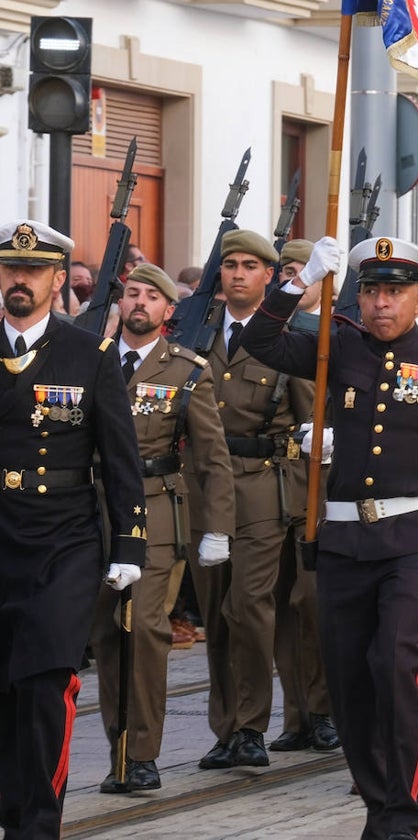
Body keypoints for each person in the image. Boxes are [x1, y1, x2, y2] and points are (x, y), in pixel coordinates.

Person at [241, 234, 418, 840]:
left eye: (395, 291)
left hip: (415, 537)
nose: (381, 304)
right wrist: (297, 282)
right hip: (341, 538)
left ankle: (401, 818)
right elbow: (256, 341)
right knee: (349, 680)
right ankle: (377, 807)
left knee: (395, 661)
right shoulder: (339, 343)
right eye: (372, 290)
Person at [0, 220, 147, 837]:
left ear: (59, 280)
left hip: (63, 542)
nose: (19, 281)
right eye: (10, 270)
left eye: (33, 272)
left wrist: (130, 543)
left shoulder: (88, 354)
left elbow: (119, 456)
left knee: (45, 682)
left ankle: (37, 825)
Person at [91, 262, 235, 793]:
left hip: (153, 509)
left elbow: (212, 457)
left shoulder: (186, 370)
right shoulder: (95, 359)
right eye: (132, 294)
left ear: (168, 312)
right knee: (106, 632)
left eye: (152, 297)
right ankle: (118, 748)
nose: (140, 304)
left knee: (145, 629)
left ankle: (143, 754)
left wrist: (216, 526)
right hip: (93, 508)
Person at [185, 230, 315, 770]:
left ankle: (253, 726)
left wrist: (312, 503)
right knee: (215, 613)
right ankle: (226, 727)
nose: (237, 273)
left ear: (270, 276)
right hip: (202, 489)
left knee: (249, 607)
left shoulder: (287, 338)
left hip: (264, 485)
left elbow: (312, 424)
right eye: (230, 265)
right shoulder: (195, 334)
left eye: (250, 266)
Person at [264, 238, 340, 755]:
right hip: (271, 488)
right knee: (281, 609)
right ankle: (295, 714)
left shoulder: (340, 333)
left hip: (322, 483)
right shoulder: (270, 334)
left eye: (307, 270)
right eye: (290, 271)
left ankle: (325, 708)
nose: (300, 278)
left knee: (314, 602)